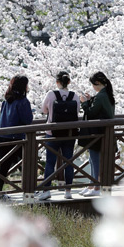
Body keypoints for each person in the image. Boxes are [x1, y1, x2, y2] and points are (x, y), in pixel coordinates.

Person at [37, 71, 81, 201]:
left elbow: (44, 110)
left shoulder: (51, 94)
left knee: (50, 162)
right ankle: (68, 191)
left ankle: (47, 191)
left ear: (57, 82)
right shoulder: (75, 96)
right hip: (69, 133)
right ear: (69, 82)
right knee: (68, 161)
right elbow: (77, 112)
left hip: (52, 133)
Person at [0, 75, 33, 200]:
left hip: (3, 136)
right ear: (23, 86)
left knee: (3, 166)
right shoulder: (23, 102)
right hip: (17, 138)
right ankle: (30, 191)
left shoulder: (6, 101)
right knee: (28, 163)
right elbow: (28, 120)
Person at [79, 71, 115, 197]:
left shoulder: (101, 96)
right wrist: (90, 100)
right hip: (104, 131)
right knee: (92, 159)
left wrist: (84, 102)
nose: (92, 87)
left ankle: (96, 186)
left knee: (95, 159)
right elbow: (98, 110)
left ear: (97, 83)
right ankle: (91, 184)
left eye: (93, 84)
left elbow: (92, 113)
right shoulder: (107, 94)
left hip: (98, 133)